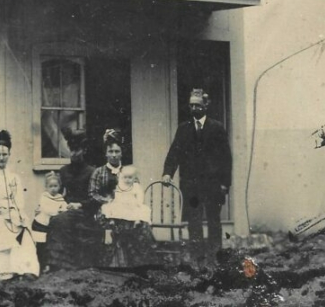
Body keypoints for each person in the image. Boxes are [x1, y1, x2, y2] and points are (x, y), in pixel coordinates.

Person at [162, 89, 232, 265]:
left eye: (198, 105)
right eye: (191, 105)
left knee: (214, 220)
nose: (194, 108)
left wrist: (225, 183)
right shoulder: (184, 129)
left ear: (205, 106)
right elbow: (174, 153)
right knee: (194, 221)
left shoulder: (217, 128)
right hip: (191, 185)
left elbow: (226, 158)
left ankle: (215, 258)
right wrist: (167, 173)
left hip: (213, 184)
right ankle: (197, 259)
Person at [0, 130, 39, 280]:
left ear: (9, 154)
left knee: (24, 227)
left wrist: (18, 213)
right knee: (0, 225)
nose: (2, 158)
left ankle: (26, 269)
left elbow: (19, 200)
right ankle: (3, 271)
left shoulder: (14, 177)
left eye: (5, 155)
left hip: (11, 212)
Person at [90, 129, 155, 267]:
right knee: (109, 223)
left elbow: (137, 190)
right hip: (107, 210)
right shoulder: (98, 172)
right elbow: (92, 194)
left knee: (141, 225)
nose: (114, 155)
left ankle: (139, 265)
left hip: (128, 209)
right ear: (106, 153)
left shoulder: (128, 172)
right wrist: (107, 200)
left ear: (121, 153)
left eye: (117, 151)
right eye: (111, 152)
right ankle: (111, 264)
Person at [46, 128, 100, 270]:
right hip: (66, 208)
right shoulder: (64, 171)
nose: (74, 154)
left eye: (77, 150)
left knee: (59, 221)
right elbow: (60, 193)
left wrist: (79, 205)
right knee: (51, 217)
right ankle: (55, 262)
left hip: (85, 210)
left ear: (84, 151)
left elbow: (95, 199)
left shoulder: (92, 171)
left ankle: (61, 263)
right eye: (72, 150)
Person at [31, 171, 69, 271]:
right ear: (46, 187)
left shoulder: (59, 198)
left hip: (50, 226)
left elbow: (65, 207)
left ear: (59, 186)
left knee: (49, 245)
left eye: (55, 186)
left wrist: (64, 209)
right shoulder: (44, 197)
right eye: (50, 186)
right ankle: (39, 265)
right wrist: (58, 211)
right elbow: (46, 210)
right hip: (40, 224)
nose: (53, 189)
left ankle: (48, 265)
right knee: (40, 246)